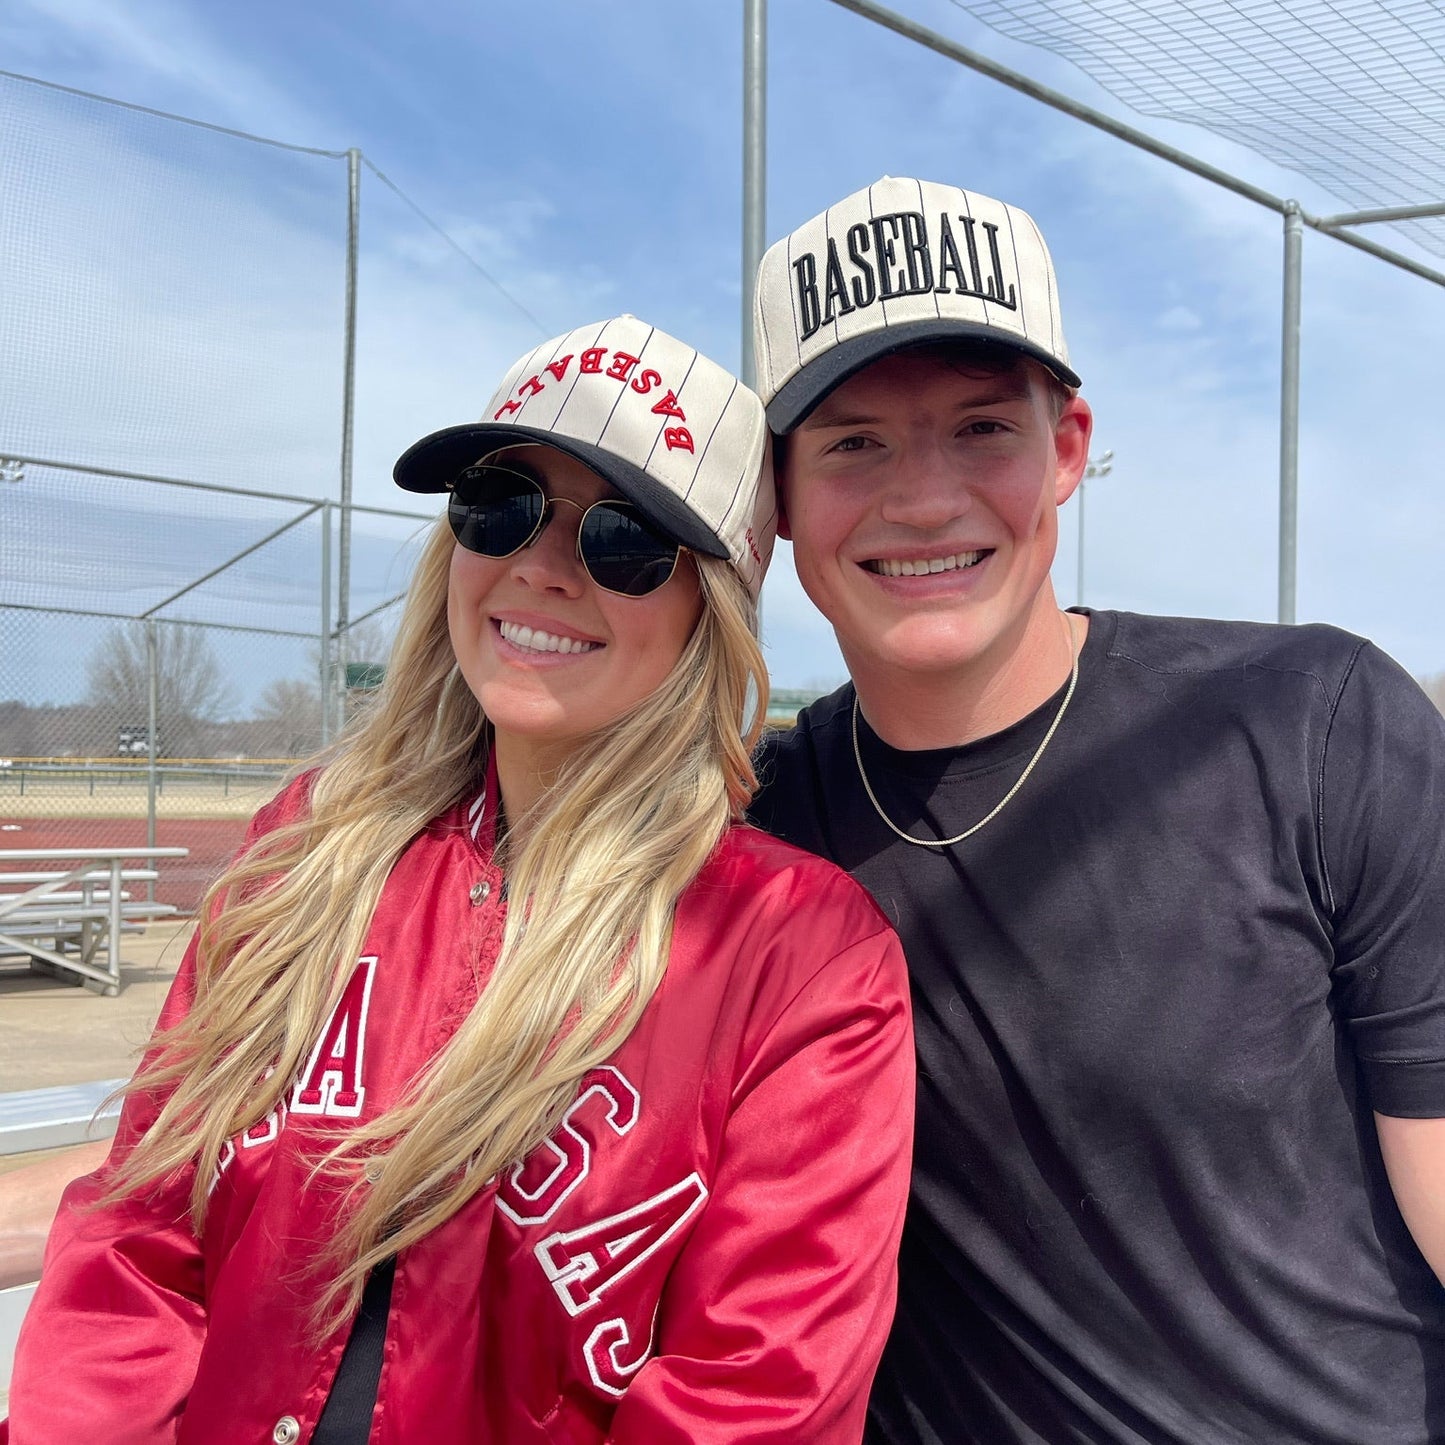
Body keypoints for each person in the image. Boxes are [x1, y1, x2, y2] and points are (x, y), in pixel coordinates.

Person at [3, 315, 915, 1444]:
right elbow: (137, 1242)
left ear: (706, 612)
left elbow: (754, 1400)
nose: (538, 564)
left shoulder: (796, 955)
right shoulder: (309, 842)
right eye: (501, 502)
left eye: (624, 538)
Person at [748, 176, 1445, 1444]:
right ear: (775, 500)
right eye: (852, 442)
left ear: (1065, 449)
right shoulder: (752, 826)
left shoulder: (1312, 720)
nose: (920, 498)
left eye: (980, 430)